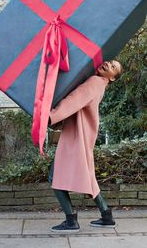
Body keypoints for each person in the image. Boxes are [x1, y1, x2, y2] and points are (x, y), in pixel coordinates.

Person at [48, 60, 123, 233]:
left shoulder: (95, 82)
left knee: (54, 177)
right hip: (83, 135)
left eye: (113, 67)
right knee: (87, 175)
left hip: (77, 136)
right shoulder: (100, 84)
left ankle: (71, 220)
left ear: (112, 78)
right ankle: (106, 214)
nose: (108, 65)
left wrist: (51, 116)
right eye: (110, 62)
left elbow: (75, 100)